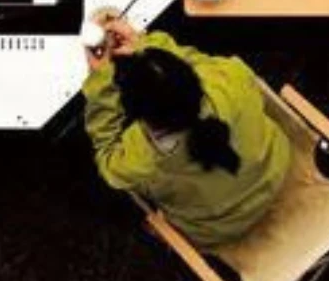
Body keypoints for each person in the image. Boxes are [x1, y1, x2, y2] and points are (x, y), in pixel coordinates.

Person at [82, 19, 291, 249]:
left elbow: (107, 156)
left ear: (133, 111)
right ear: (191, 76)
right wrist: (144, 43)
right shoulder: (228, 80)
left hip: (219, 230)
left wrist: (101, 83)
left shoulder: (141, 160)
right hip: (274, 172)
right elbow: (196, 60)